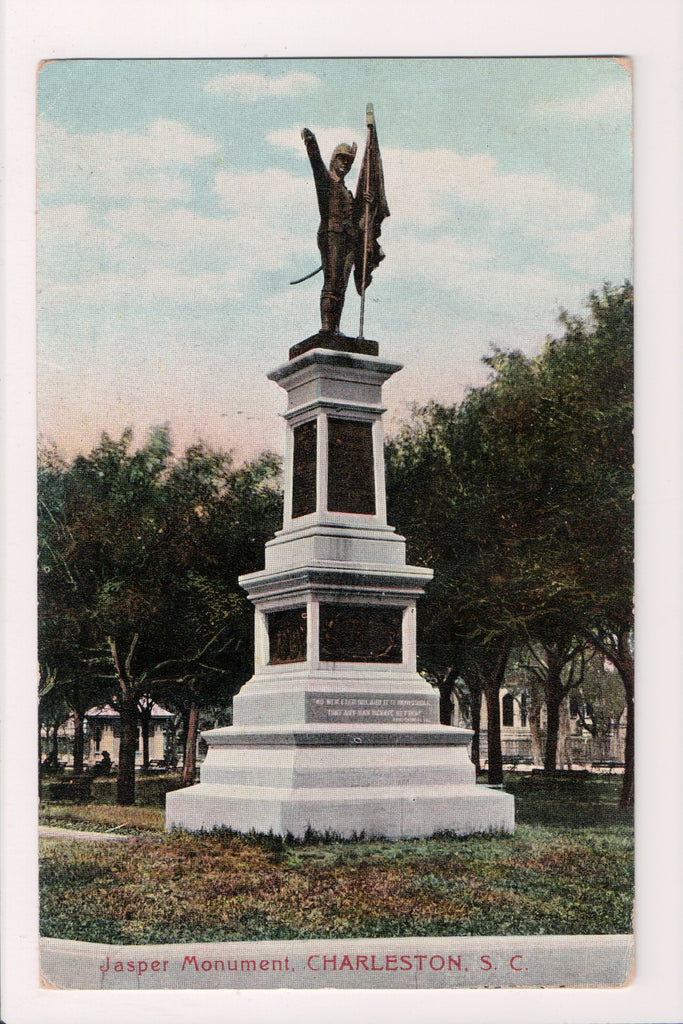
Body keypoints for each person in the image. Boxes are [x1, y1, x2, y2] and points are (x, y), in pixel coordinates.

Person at [301, 128, 359, 334]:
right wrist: (311, 142)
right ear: (333, 160)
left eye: (349, 162)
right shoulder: (325, 183)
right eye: (341, 159)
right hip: (331, 235)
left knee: (341, 286)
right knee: (332, 282)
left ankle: (335, 328)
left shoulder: (347, 192)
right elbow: (316, 164)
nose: (345, 164)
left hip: (348, 239)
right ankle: (327, 327)